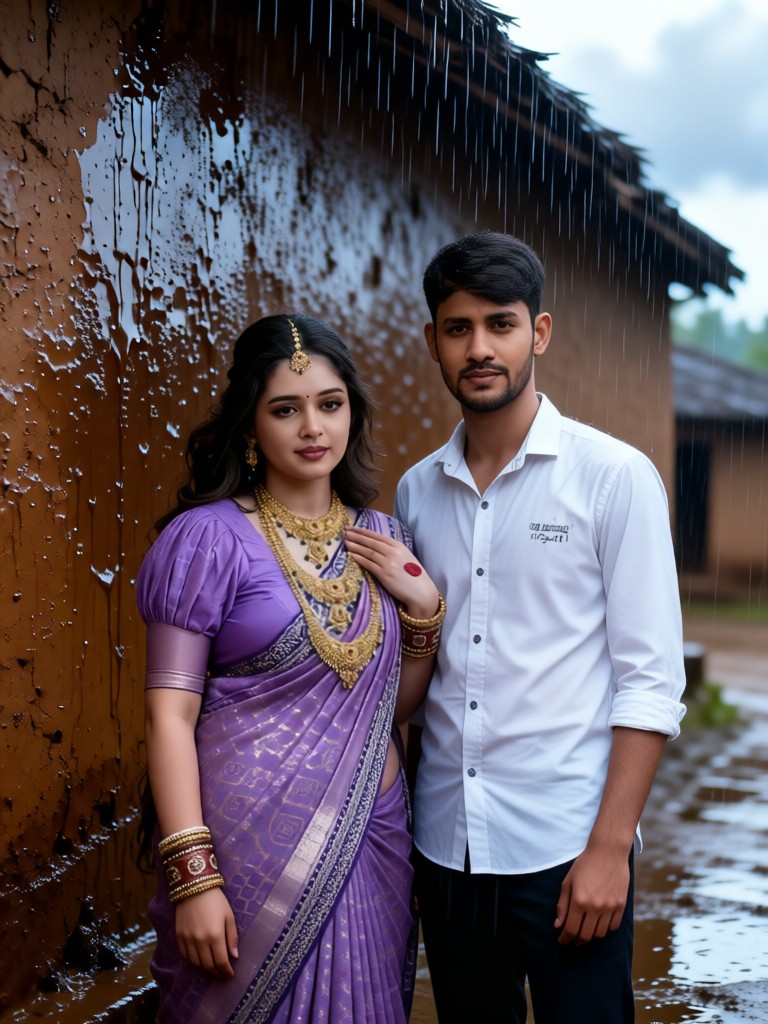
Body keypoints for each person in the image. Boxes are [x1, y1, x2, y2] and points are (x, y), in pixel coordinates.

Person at [394, 232, 687, 1024]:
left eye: (501, 324)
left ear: (540, 333)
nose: (480, 347)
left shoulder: (613, 477)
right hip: (448, 850)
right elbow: (421, 676)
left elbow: (650, 681)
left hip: (567, 849)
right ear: (433, 342)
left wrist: (609, 850)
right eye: (458, 329)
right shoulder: (417, 492)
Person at [136, 313, 444, 1024]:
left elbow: (387, 711)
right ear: (251, 424)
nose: (314, 427)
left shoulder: (385, 540)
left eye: (330, 405)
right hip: (243, 852)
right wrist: (192, 878)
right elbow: (168, 716)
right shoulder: (207, 540)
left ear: (351, 414)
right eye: (286, 409)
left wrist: (424, 611)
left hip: (373, 834)